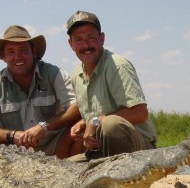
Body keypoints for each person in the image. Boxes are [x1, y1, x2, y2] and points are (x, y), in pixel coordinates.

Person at [0, 25, 83, 159]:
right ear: (4, 56)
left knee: (79, 130)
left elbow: (76, 107)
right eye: (11, 52)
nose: (18, 57)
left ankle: (67, 171)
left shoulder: (54, 74)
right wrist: (13, 135)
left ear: (34, 52)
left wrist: (44, 128)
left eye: (23, 50)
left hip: (55, 146)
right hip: (13, 153)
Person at [66, 11, 157, 160]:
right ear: (71, 44)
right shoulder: (77, 74)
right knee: (65, 171)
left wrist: (95, 122)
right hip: (101, 150)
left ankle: (125, 181)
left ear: (102, 38)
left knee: (111, 125)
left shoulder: (118, 66)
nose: (86, 45)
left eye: (91, 38)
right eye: (79, 40)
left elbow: (140, 112)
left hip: (139, 151)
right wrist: (83, 124)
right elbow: (100, 111)